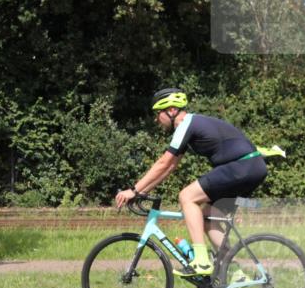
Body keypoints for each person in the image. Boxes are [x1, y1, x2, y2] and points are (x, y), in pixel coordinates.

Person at [114, 88, 267, 276]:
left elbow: (163, 162)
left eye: (157, 113)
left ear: (171, 110)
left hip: (242, 166)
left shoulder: (187, 123)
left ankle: (201, 262)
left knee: (187, 196)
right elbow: (169, 167)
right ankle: (235, 273)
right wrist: (141, 191)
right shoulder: (192, 125)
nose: (156, 119)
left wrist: (133, 190)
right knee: (208, 217)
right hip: (251, 167)